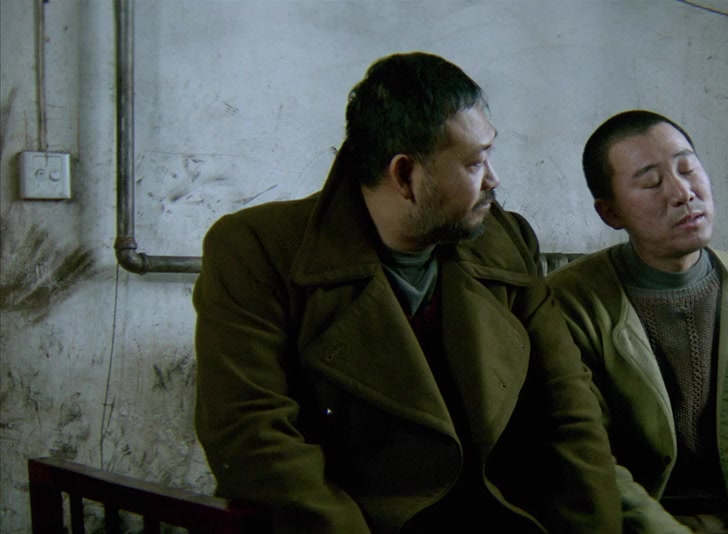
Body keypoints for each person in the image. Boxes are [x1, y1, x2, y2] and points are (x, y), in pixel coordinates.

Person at [192, 52, 620, 534]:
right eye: (475, 162)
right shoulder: (257, 249)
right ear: (404, 175)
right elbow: (253, 436)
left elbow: (569, 410)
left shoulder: (507, 240)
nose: (493, 180)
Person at [547, 110, 728, 533]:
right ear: (611, 213)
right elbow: (587, 457)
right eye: (651, 183)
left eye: (687, 169)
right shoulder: (570, 300)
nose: (682, 193)